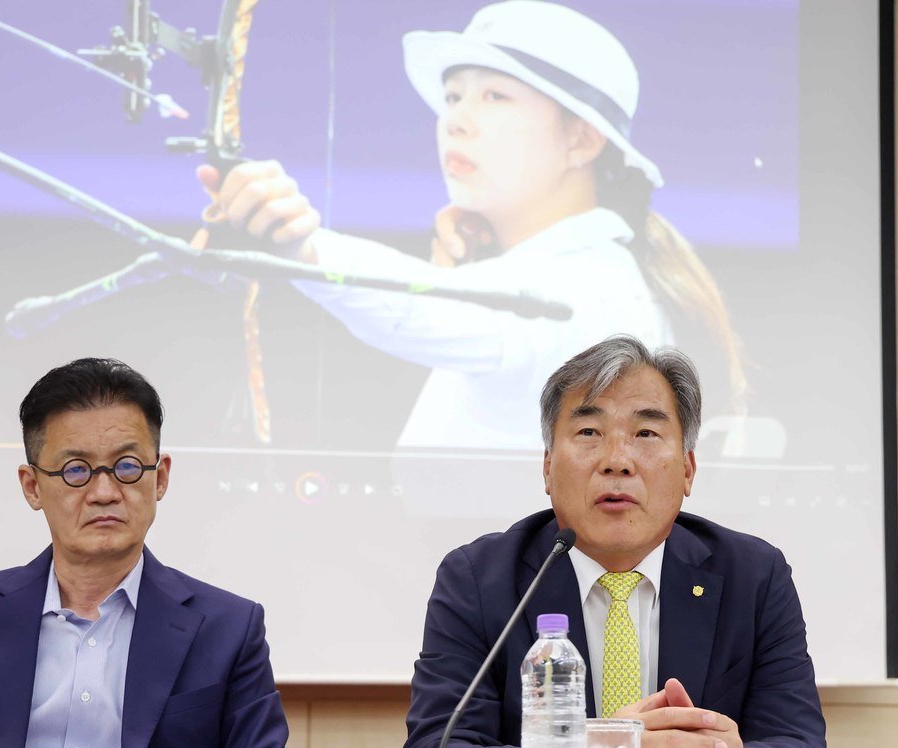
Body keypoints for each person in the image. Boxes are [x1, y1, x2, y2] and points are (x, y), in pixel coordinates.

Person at [197, 0, 746, 451]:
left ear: (580, 139)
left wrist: (300, 246)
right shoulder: (574, 269)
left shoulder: (591, 287)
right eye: (454, 95)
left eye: (495, 96)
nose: (455, 118)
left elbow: (424, 309)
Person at [401, 335, 823, 748]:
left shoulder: (754, 577)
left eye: (646, 434)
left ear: (687, 469)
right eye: (588, 433)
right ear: (547, 467)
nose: (617, 462)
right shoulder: (480, 579)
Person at [0, 358, 307, 748]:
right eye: (76, 470)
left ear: (159, 477)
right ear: (31, 487)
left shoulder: (227, 628)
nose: (104, 492)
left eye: (126, 466)